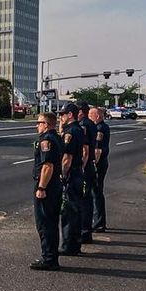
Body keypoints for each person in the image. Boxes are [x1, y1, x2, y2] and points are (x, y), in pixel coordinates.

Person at [30, 112, 64, 271]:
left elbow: (47, 166)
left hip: (47, 185)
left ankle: (48, 258)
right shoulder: (57, 137)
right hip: (55, 183)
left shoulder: (46, 140)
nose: (37, 125)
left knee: (45, 223)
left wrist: (42, 187)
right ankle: (51, 256)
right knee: (51, 221)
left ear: (47, 124)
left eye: (39, 122)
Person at [57, 103, 87, 256]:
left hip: (71, 174)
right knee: (76, 208)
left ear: (70, 115)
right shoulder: (79, 129)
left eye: (62, 114)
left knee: (69, 211)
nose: (60, 117)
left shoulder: (70, 132)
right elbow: (83, 152)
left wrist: (62, 174)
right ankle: (75, 243)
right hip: (78, 172)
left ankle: (69, 245)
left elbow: (66, 158)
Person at [75, 102, 98, 244]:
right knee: (88, 199)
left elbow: (85, 150)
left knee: (83, 200)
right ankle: (86, 230)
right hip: (90, 166)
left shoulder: (83, 125)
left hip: (85, 167)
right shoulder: (91, 124)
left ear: (81, 112)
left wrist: (81, 167)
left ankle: (84, 232)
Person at [89, 106, 110, 232]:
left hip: (99, 164)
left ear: (97, 116)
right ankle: (99, 221)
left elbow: (97, 150)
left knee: (96, 193)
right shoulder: (102, 127)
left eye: (91, 115)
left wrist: (94, 165)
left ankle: (98, 223)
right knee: (96, 192)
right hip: (103, 163)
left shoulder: (99, 128)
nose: (89, 117)